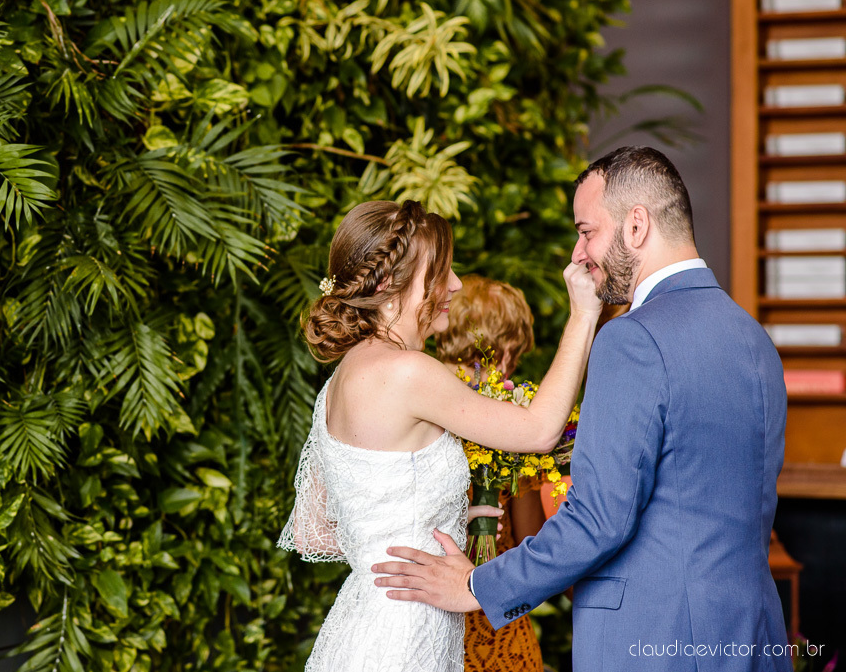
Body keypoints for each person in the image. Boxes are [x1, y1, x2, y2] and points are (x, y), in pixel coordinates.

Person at [373, 146, 789, 671]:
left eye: (587, 231)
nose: (577, 253)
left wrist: (475, 585)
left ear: (636, 225)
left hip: (655, 639)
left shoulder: (632, 340)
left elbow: (600, 518)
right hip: (754, 637)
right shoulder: (754, 339)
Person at [277, 199, 602, 672]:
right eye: (441, 272)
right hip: (408, 633)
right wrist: (583, 316)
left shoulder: (337, 385)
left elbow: (318, 531)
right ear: (389, 284)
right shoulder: (409, 371)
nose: (455, 285)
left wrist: (434, 516)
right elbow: (539, 430)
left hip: (364, 619)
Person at [434, 275, 546, 672]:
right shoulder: (514, 421)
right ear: (503, 350)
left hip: (428, 614)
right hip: (493, 617)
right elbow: (529, 542)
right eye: (514, 351)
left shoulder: (414, 399)